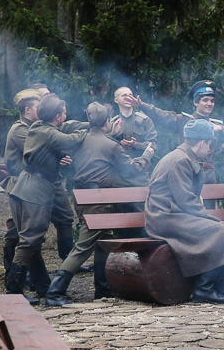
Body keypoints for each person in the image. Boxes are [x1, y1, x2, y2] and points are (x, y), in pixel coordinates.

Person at [45, 103, 153, 306]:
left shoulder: (81, 138)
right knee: (84, 246)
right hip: (98, 200)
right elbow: (132, 169)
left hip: (84, 197)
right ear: (107, 122)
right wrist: (147, 154)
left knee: (104, 240)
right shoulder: (111, 145)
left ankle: (102, 289)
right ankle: (55, 292)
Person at [144, 119, 224, 304]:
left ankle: (222, 285)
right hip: (164, 218)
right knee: (221, 231)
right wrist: (209, 219)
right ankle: (204, 289)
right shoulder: (180, 160)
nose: (209, 149)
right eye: (209, 145)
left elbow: (184, 199)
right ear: (202, 142)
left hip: (173, 214)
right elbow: (187, 201)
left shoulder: (183, 157)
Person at [4, 94, 90, 303]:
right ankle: (14, 291)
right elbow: (72, 139)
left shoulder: (40, 127)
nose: (66, 116)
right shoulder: (47, 132)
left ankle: (37, 286)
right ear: (58, 116)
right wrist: (88, 129)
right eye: (64, 113)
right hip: (35, 190)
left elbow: (65, 131)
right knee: (30, 239)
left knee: (30, 239)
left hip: (29, 187)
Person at [137, 80, 224, 183]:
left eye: (212, 101)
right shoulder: (183, 120)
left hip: (208, 177)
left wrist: (221, 129)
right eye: (205, 100)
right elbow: (160, 115)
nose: (209, 104)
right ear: (196, 102)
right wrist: (141, 105)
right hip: (187, 173)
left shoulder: (216, 126)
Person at [0, 88, 43, 282]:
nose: (41, 111)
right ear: (28, 110)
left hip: (26, 185)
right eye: (38, 108)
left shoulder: (30, 127)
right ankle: (15, 280)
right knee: (27, 235)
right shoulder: (20, 129)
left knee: (24, 234)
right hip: (20, 185)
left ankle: (36, 282)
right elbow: (38, 151)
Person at [110, 86, 159, 169]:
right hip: (118, 171)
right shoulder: (113, 123)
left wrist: (136, 145)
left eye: (130, 95)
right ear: (116, 100)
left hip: (141, 171)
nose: (128, 98)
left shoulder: (145, 120)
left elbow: (154, 145)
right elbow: (106, 146)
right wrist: (113, 135)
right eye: (124, 95)